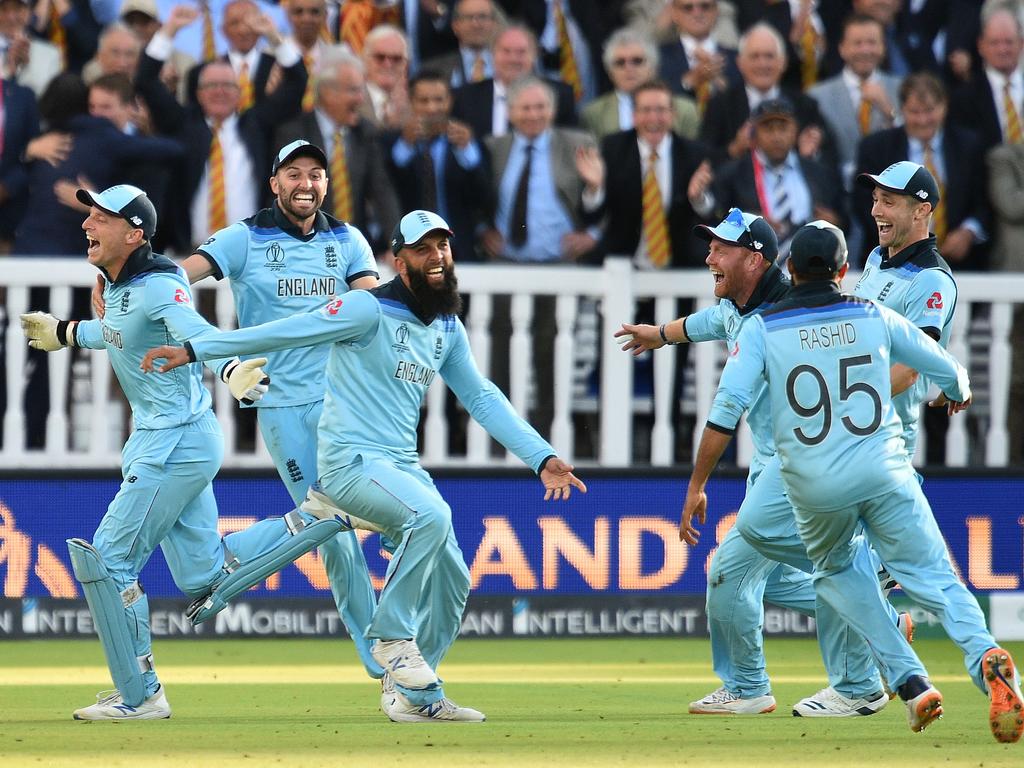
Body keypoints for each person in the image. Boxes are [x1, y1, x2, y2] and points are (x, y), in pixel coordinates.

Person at [140, 209, 587, 723]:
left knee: (455, 578)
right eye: (423, 249)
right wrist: (199, 349)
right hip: (349, 463)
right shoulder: (366, 308)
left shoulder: (446, 325)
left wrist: (542, 457)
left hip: (399, 465)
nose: (437, 256)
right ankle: (392, 638)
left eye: (443, 245)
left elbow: (482, 397)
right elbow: (288, 331)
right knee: (431, 517)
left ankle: (413, 696)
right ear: (399, 260)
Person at [681, 219, 1023, 742]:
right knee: (937, 578)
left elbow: (724, 415)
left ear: (789, 270)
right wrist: (959, 387)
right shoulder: (873, 313)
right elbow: (941, 363)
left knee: (835, 571)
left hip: (816, 482)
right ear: (845, 271)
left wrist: (695, 486)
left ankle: (909, 681)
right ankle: (986, 657)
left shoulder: (762, 328)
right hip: (886, 468)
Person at [19, 184, 345, 720]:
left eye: (101, 218)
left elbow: (193, 330)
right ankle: (322, 515)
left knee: (110, 559)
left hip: (174, 442)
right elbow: (120, 333)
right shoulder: (121, 283)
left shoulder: (161, 283)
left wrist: (231, 368)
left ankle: (140, 694)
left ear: (135, 233)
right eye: (90, 217)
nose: (87, 225)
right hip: (171, 438)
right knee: (204, 578)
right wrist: (68, 331)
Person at [92, 139, 385, 689]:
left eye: (316, 174)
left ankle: (406, 643)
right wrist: (114, 282)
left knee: (394, 517)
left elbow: (374, 311)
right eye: (294, 173)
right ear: (274, 182)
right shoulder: (244, 238)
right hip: (283, 405)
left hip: (348, 404)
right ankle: (381, 659)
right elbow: (171, 278)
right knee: (336, 534)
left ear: (326, 184)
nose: (306, 184)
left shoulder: (348, 240)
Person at [616, 210, 900, 717]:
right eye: (710, 248)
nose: (709, 259)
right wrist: (660, 333)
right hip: (772, 467)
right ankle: (874, 613)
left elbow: (725, 412)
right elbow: (708, 323)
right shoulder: (739, 304)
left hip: (799, 468)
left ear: (754, 258)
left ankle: (749, 687)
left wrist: (696, 485)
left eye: (720, 250)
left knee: (729, 570)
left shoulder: (783, 318)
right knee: (772, 579)